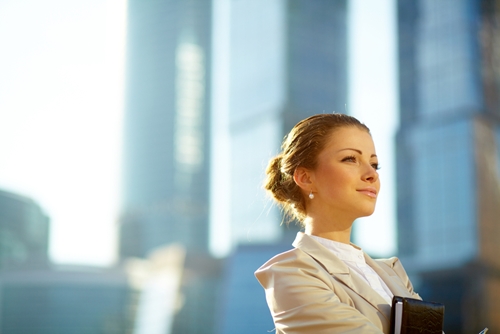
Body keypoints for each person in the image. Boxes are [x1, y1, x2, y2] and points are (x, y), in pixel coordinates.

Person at [255, 113, 420, 334]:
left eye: (374, 164)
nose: (372, 174)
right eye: (350, 159)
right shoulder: (292, 273)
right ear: (305, 178)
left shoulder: (393, 273)